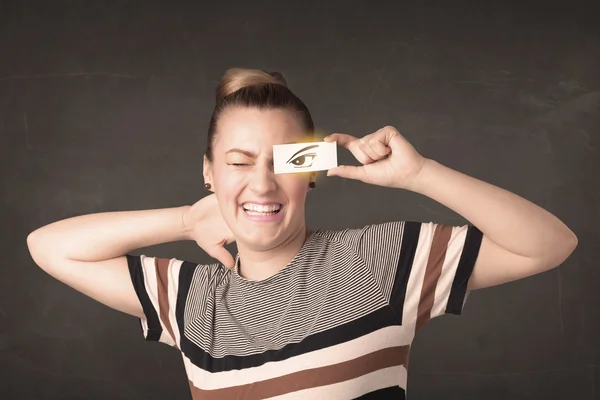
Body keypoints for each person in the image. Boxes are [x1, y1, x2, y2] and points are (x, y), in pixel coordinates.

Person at [26, 68, 578, 399]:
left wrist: (419, 174)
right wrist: (185, 220)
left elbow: (550, 244)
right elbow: (48, 247)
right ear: (208, 173)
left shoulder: (374, 262)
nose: (262, 184)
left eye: (283, 163)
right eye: (239, 163)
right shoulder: (192, 298)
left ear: (313, 171)